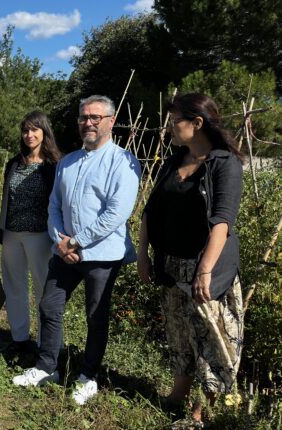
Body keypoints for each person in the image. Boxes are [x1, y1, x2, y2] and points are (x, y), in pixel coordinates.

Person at [12, 95, 141, 406]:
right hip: (65, 252)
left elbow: (116, 213)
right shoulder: (68, 161)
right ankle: (47, 367)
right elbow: (54, 205)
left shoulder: (123, 161)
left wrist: (77, 241)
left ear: (111, 121)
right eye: (84, 117)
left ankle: (88, 376)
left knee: (96, 316)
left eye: (96, 117)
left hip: (102, 255)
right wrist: (60, 240)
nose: (89, 123)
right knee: (49, 305)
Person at [137, 93, 244, 425]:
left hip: (205, 270)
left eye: (174, 121)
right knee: (180, 335)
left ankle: (200, 412)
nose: (169, 127)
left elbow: (222, 223)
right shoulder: (174, 161)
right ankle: (177, 396)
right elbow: (150, 212)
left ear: (197, 123)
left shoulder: (223, 164)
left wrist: (205, 271)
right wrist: (143, 254)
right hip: (172, 266)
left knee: (210, 342)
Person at [0, 111, 61, 354]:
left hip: (40, 236)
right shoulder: (15, 163)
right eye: (25, 130)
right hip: (13, 234)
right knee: (15, 286)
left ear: (44, 132)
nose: (29, 135)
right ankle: (19, 338)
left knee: (43, 289)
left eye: (35, 129)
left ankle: (47, 343)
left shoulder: (53, 166)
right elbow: (7, 199)